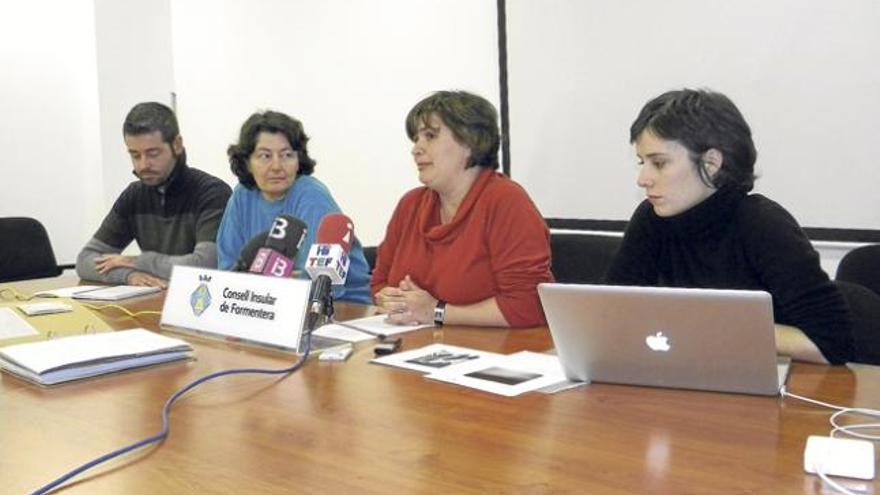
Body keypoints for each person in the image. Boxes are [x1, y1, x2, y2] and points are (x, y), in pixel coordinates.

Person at [605, 88, 854, 364]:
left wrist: (710, 329)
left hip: (770, 387)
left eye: (659, 163)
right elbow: (616, 312)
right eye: (642, 162)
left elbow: (833, 342)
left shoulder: (762, 223)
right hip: (683, 372)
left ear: (711, 163)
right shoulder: (651, 219)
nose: (643, 179)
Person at [371, 90, 553, 328]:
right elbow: (379, 282)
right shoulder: (410, 205)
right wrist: (391, 300)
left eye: (430, 136)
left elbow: (530, 305)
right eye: (416, 138)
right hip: (415, 349)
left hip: (493, 353)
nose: (416, 149)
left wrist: (436, 312)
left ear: (469, 142)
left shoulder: (506, 201)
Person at [216, 110, 371, 304]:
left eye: (287, 155)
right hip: (267, 307)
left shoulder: (311, 196)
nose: (276, 166)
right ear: (247, 162)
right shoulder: (242, 195)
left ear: (299, 160)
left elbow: (320, 283)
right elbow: (228, 270)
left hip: (343, 309)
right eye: (265, 156)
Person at [76, 102, 231, 288]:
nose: (143, 165)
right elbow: (85, 260)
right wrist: (129, 275)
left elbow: (205, 265)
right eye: (135, 155)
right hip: (152, 302)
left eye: (153, 153)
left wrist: (137, 261)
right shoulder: (134, 195)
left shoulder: (212, 193)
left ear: (177, 145)